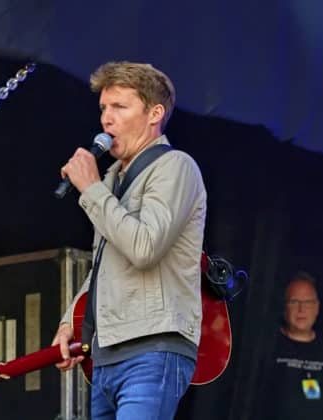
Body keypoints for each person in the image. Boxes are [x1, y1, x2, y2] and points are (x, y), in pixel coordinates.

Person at [51, 61, 207, 419]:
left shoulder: (176, 167)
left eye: (120, 107)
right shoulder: (111, 179)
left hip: (151, 349)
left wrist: (90, 189)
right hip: (106, 354)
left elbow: (144, 248)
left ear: (155, 113)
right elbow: (105, 265)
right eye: (104, 108)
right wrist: (70, 321)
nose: (107, 118)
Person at [264, 271, 323, 419]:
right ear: (284, 307)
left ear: (317, 307)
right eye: (294, 302)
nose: (301, 309)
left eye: (307, 302)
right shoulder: (266, 347)